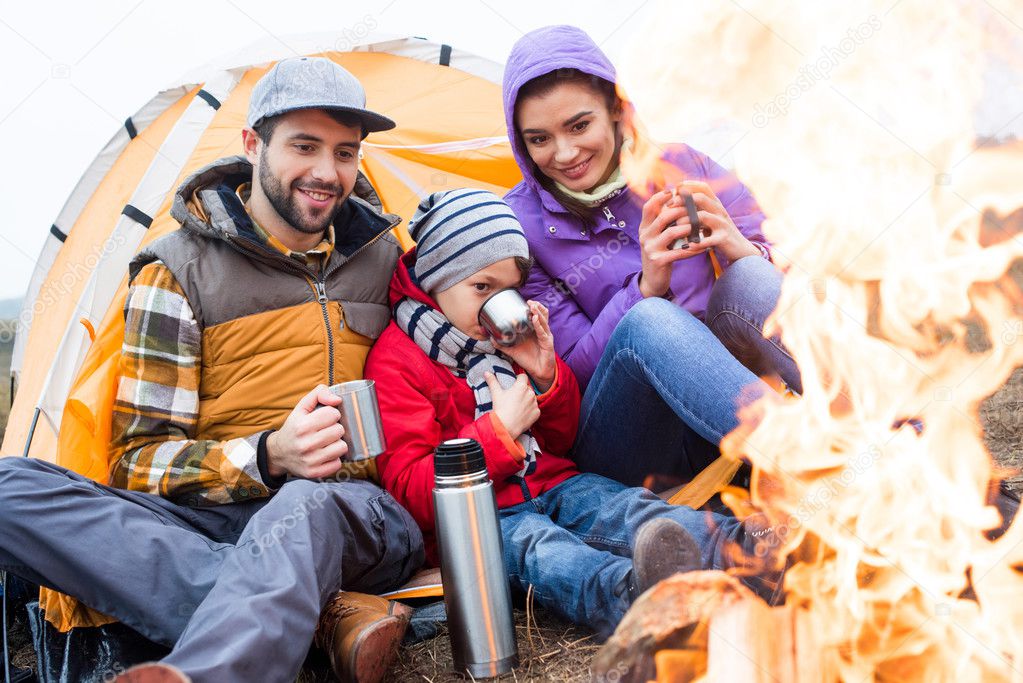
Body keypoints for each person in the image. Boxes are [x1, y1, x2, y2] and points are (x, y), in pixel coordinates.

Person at [0, 57, 424, 683]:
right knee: (11, 486)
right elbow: (137, 462)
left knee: (305, 503)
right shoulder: (176, 271)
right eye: (304, 147)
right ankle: (321, 618)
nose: (326, 173)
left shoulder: (387, 258)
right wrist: (269, 454)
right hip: (217, 514)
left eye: (345, 153)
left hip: (355, 514)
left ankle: (215, 670)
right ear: (252, 143)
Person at [364, 189, 775, 639]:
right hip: (485, 518)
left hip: (556, 483)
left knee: (627, 510)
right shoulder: (396, 362)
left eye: (507, 290)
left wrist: (545, 378)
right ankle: (641, 601)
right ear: (434, 281)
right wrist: (498, 432)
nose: (495, 305)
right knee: (546, 554)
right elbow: (411, 491)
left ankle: (753, 553)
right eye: (481, 288)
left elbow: (559, 442)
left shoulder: (506, 340)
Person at [502, 25, 802, 489]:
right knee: (651, 320)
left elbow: (792, 267)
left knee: (749, 277)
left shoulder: (681, 166)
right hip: (628, 441)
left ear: (618, 112)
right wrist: (646, 287)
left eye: (579, 125)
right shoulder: (518, 227)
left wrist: (744, 249)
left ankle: (898, 431)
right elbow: (567, 380)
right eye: (539, 139)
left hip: (722, 403)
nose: (564, 153)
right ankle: (813, 462)